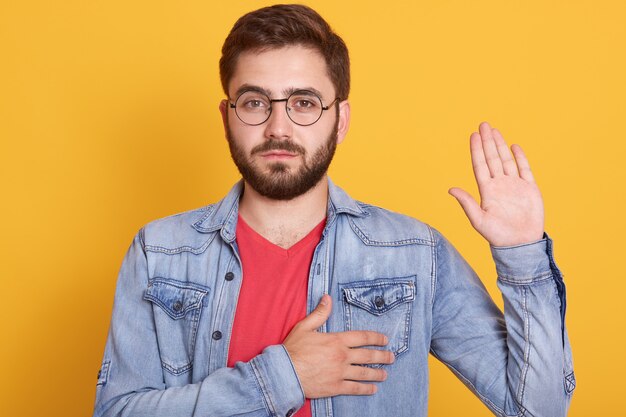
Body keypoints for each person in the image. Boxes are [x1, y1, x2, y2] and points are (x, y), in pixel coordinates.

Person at [92, 4, 575, 417]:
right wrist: (284, 376)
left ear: (339, 119)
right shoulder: (159, 252)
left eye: (304, 102)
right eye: (255, 101)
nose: (278, 127)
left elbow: (537, 408)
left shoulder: (413, 254)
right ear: (227, 117)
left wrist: (523, 253)